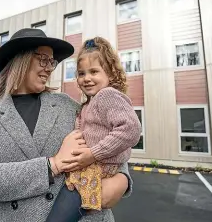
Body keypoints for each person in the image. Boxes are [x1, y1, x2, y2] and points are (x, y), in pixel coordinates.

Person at [0, 28, 133, 222]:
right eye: (43, 59)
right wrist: (52, 165)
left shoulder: (67, 105)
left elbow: (108, 138)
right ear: (21, 59)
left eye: (51, 62)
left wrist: (122, 179)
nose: (50, 68)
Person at [46, 36, 142, 222]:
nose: (87, 78)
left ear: (111, 74)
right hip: (87, 171)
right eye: (81, 74)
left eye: (94, 72)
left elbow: (131, 128)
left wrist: (93, 153)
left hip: (96, 171)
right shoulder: (89, 103)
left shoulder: (107, 95)